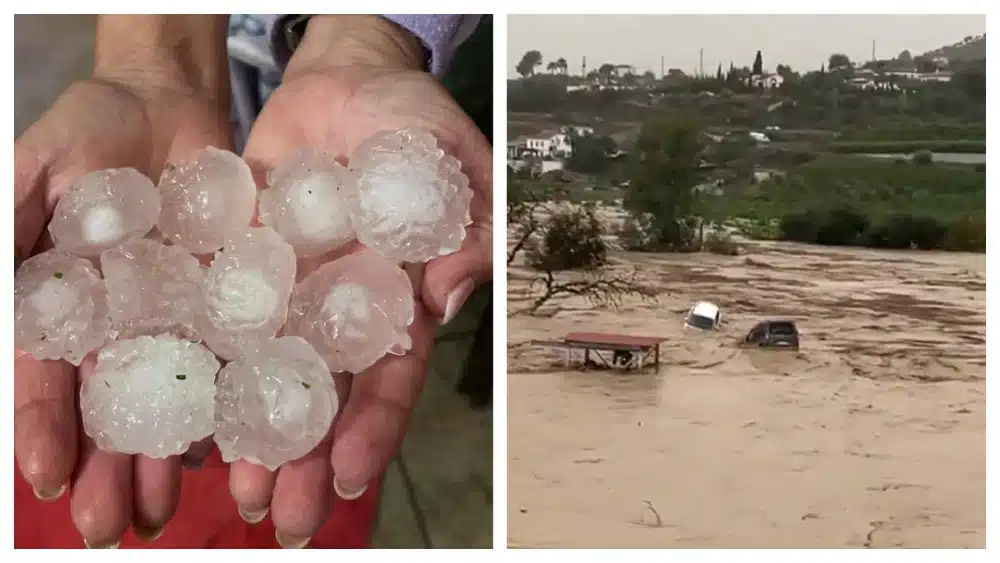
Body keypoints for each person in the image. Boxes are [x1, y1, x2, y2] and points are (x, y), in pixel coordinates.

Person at [13, 14, 493, 549]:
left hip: (307, 98)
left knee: (330, 466)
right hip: (226, 100)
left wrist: (373, 29)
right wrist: (148, 62)